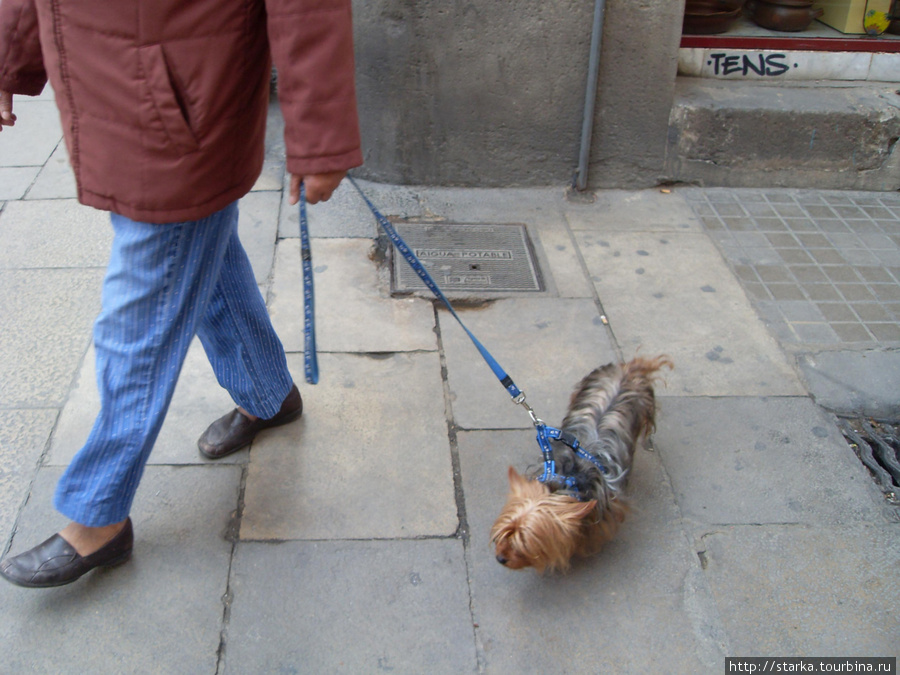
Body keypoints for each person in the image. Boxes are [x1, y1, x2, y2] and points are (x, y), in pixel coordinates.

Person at [0, 0, 361, 588]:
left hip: (185, 99)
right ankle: (266, 394)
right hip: (116, 85)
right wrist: (11, 57)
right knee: (200, 256)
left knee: (136, 321)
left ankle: (99, 515)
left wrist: (321, 136)